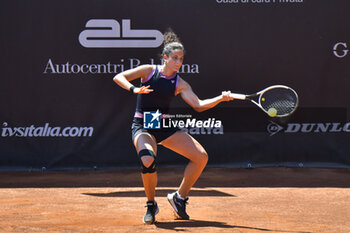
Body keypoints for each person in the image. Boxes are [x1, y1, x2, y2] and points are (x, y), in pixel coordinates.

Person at [113, 30, 234, 224]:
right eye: (175, 58)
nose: (178, 62)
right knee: (147, 159)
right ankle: (151, 204)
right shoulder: (148, 71)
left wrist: (221, 98)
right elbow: (119, 77)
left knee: (201, 157)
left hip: (162, 125)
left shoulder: (180, 83)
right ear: (165, 58)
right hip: (143, 124)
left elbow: (199, 105)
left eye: (181, 59)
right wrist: (135, 88)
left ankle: (179, 198)